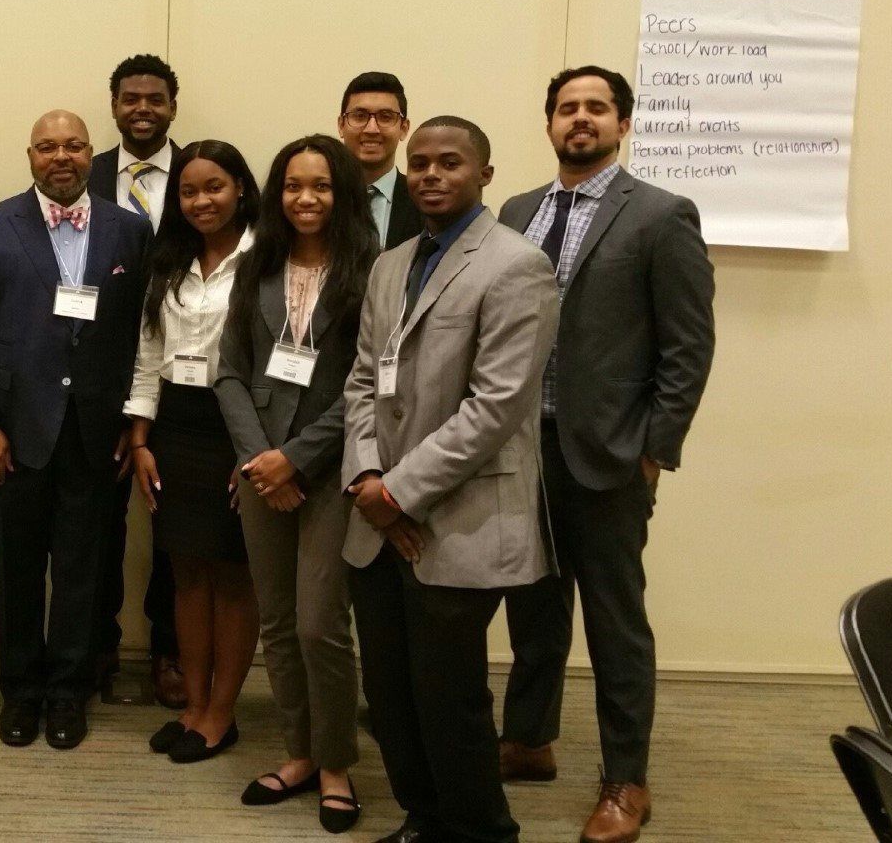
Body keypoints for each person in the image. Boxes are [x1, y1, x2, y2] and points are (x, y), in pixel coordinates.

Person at [497, 66, 716, 843]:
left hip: (610, 454)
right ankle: (528, 740)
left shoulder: (661, 216)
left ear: (623, 124)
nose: (579, 119)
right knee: (532, 604)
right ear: (549, 122)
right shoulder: (519, 211)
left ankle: (626, 779)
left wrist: (655, 451)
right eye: (566, 108)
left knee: (615, 624)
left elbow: (688, 347)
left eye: (596, 108)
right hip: (521, 447)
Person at [341, 116, 559, 843]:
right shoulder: (391, 263)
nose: (432, 175)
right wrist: (368, 480)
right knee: (391, 691)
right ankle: (424, 815)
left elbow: (496, 406)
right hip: (376, 520)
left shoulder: (516, 264)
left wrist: (397, 491)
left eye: (450, 163)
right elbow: (362, 383)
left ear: (484, 174)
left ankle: (482, 829)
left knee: (449, 696)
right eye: (421, 164)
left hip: (460, 520)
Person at [0, 110, 152, 751]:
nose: (60, 156)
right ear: (29, 155)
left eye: (73, 145)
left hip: (96, 432)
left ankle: (68, 690)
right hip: (10, 435)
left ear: (93, 154)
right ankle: (21, 691)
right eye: (46, 146)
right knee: (14, 567)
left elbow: (140, 332)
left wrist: (133, 419)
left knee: (81, 569)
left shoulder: (130, 229)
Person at [216, 134, 376, 832]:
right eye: (292, 186)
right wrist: (260, 460)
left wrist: (297, 458)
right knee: (277, 622)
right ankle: (300, 752)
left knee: (320, 625)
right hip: (261, 470)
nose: (305, 198)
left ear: (342, 194)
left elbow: (368, 384)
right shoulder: (255, 265)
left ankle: (337, 760)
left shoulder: (374, 271)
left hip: (334, 469)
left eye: (320, 186)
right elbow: (228, 371)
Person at [125, 140, 262, 763]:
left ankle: (222, 713)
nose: (202, 200)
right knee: (184, 572)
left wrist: (256, 447)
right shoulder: (169, 262)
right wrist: (141, 438)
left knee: (234, 577)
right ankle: (194, 704)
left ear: (240, 189)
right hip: (175, 427)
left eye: (215, 187)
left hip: (240, 427)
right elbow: (148, 356)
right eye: (189, 191)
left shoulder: (267, 261)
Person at [88, 53, 183, 707]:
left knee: (175, 524)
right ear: (114, 105)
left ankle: (168, 651)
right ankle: (97, 647)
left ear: (173, 106)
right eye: (130, 98)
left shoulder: (203, 173)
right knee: (97, 520)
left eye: (154, 98)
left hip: (182, 373)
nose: (142, 108)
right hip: (94, 373)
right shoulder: (82, 174)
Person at [337, 71, 422, 250]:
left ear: (404, 128)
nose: (372, 129)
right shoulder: (319, 197)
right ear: (341, 125)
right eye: (359, 116)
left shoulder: (423, 200)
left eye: (386, 117)